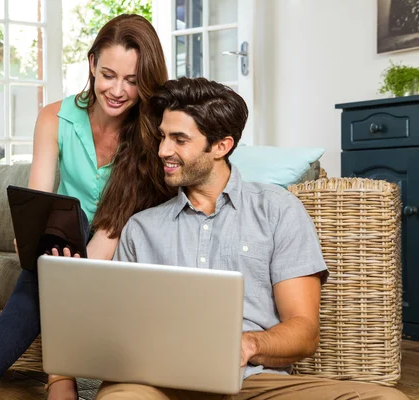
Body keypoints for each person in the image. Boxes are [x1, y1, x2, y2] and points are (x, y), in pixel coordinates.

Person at [94, 77, 408, 400]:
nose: (163, 151)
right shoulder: (141, 229)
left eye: (179, 139)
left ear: (221, 146)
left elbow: (304, 330)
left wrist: (248, 344)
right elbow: (120, 332)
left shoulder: (278, 211)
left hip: (253, 382)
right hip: (159, 384)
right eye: (163, 137)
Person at [0, 14, 174, 400]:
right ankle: (52, 378)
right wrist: (30, 241)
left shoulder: (152, 130)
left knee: (54, 262)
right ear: (93, 63)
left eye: (132, 80)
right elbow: (38, 202)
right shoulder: (55, 117)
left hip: (123, 246)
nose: (117, 90)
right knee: (65, 222)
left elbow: (116, 228)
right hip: (67, 243)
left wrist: (63, 267)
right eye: (109, 74)